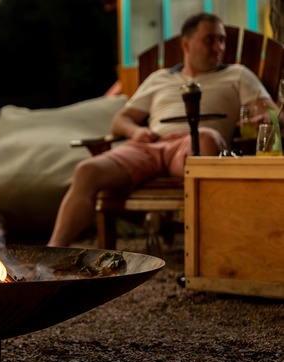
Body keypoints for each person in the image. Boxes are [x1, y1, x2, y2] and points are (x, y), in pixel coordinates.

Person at [47, 12, 277, 248]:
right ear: (186, 44)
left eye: (222, 40)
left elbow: (270, 113)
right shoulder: (159, 78)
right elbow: (121, 119)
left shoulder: (238, 75)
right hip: (150, 144)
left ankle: (210, 250)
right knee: (87, 170)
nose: (218, 47)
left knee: (207, 139)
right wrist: (136, 132)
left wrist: (261, 120)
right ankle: (51, 254)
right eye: (210, 40)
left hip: (195, 145)